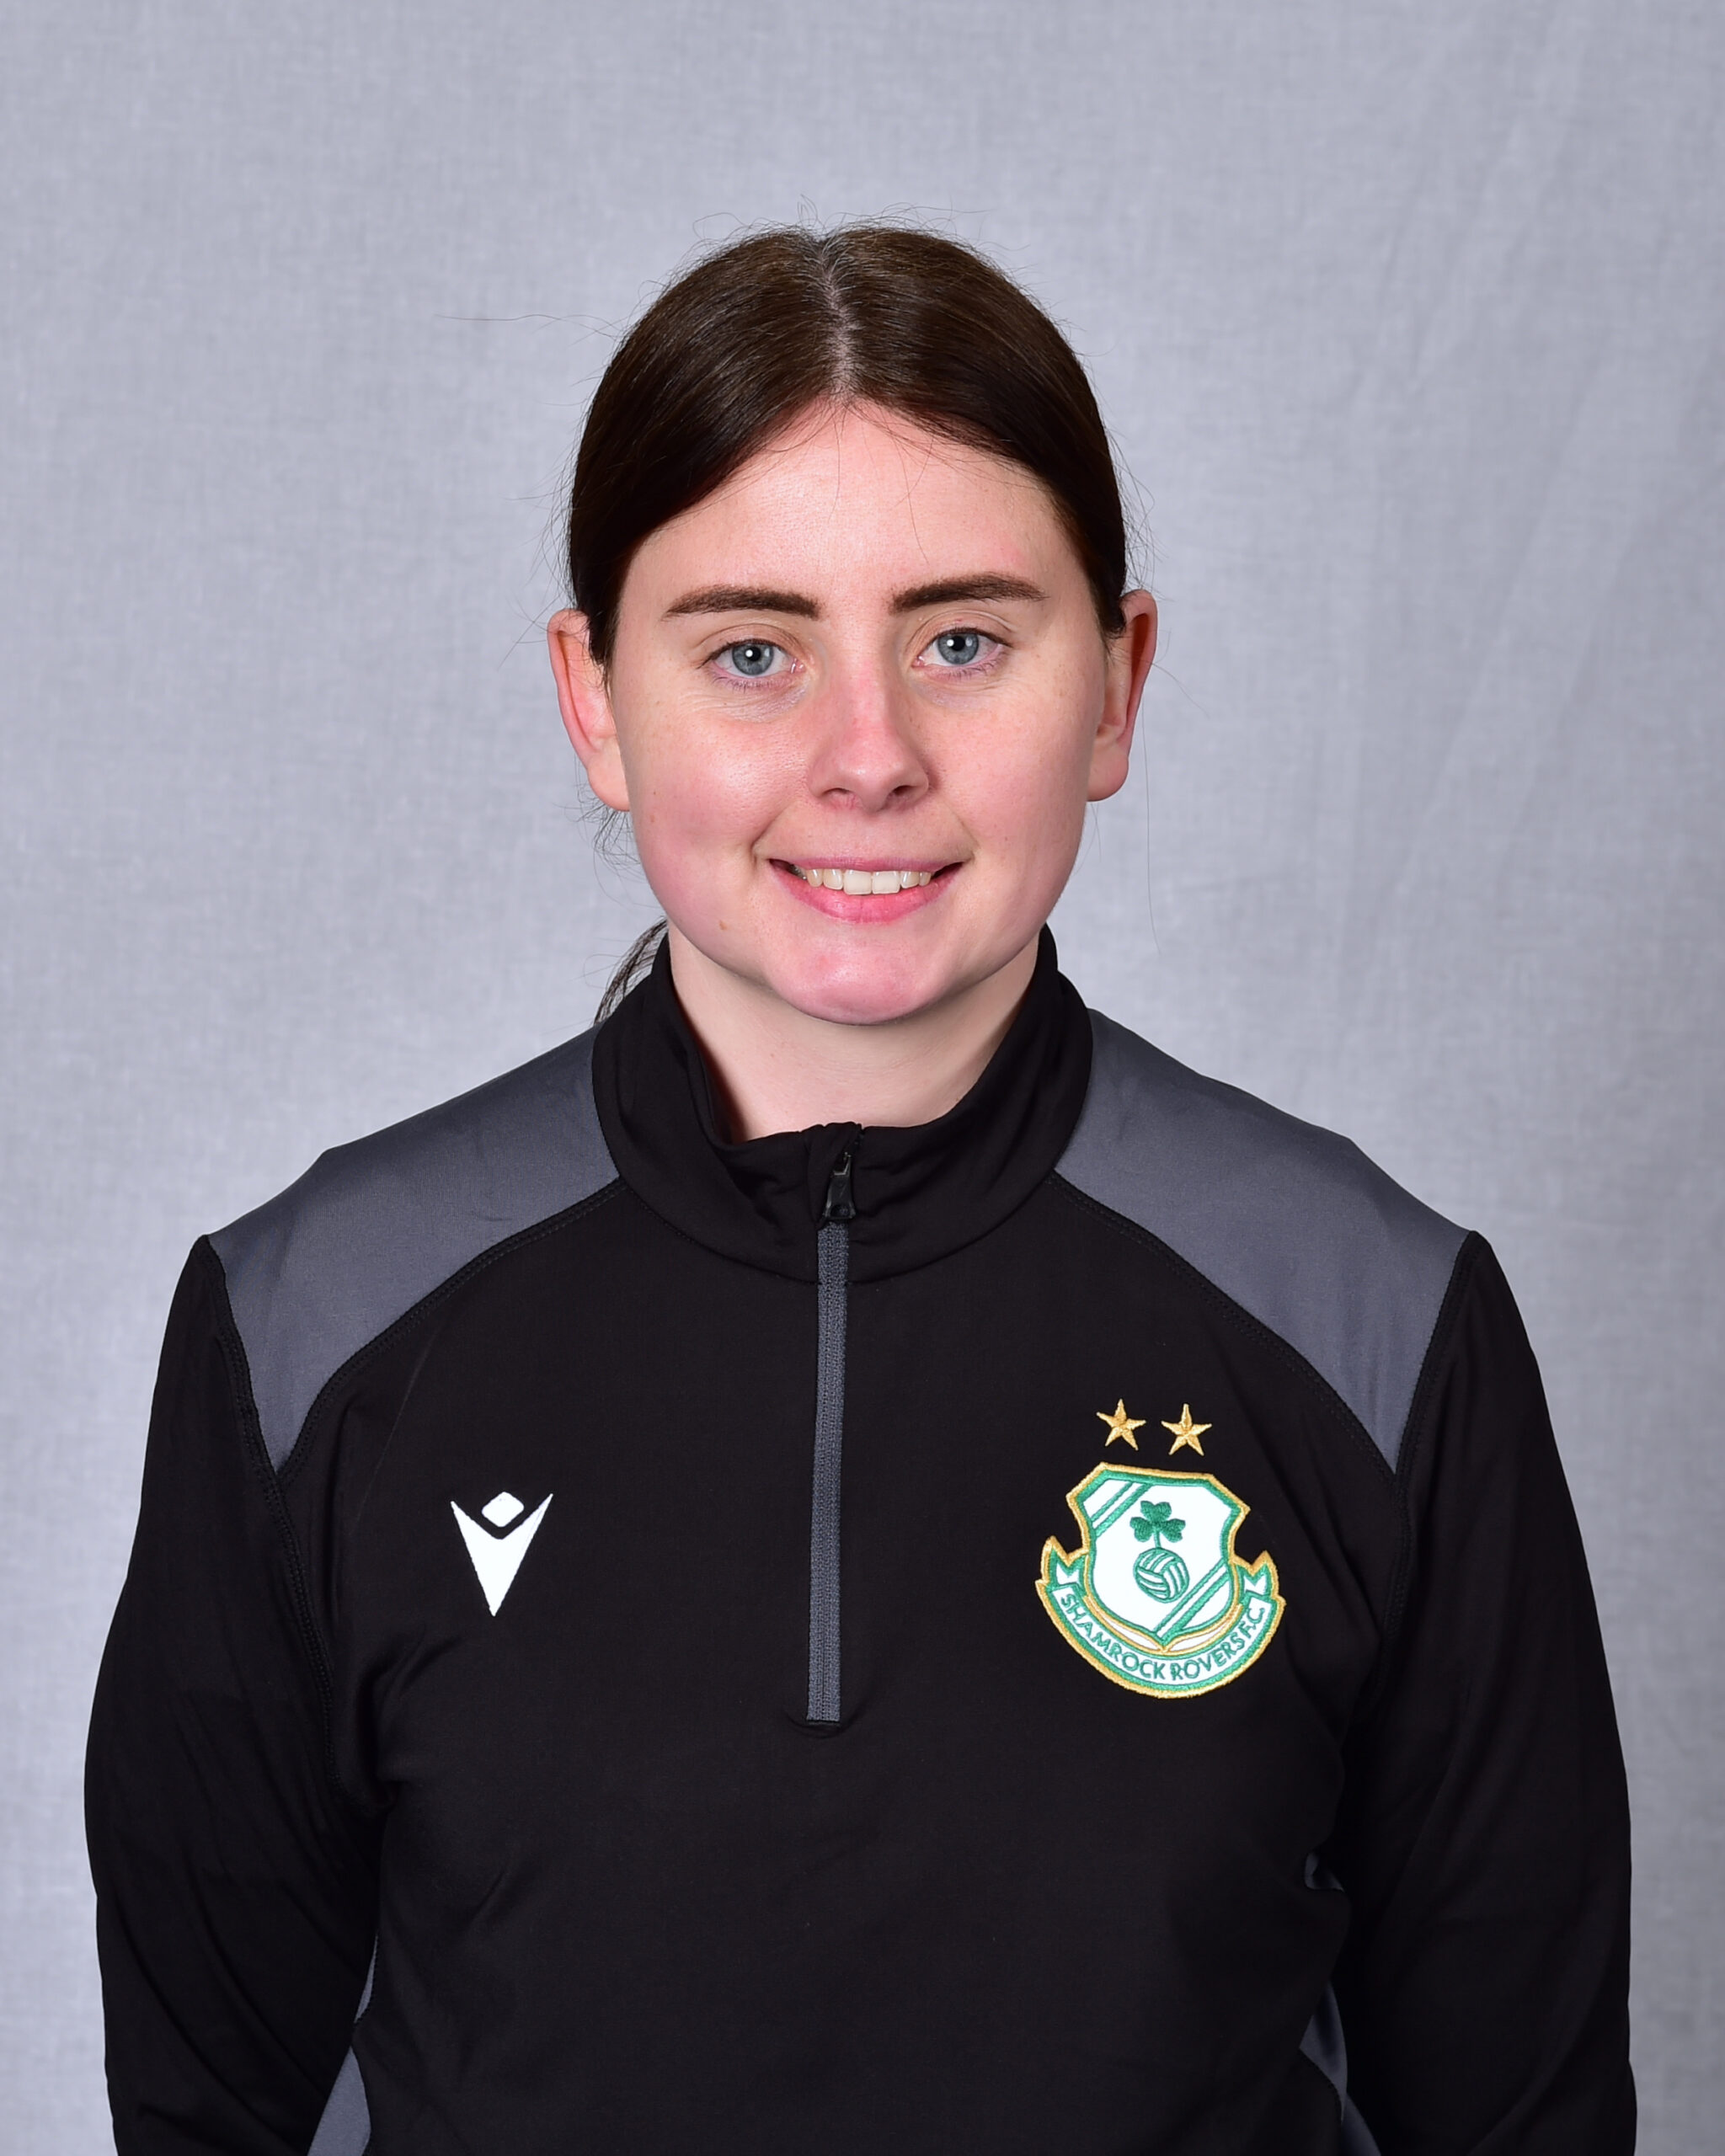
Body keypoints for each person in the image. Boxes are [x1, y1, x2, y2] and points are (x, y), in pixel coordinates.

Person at [85, 224, 1633, 2156]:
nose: (868, 756)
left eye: (963, 641)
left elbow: (1521, 2112)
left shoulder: (1375, 1319)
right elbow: (206, 2098)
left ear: (1117, 684)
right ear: (593, 697)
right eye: (752, 650)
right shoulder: (312, 1322)